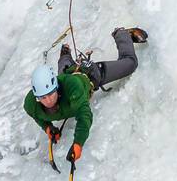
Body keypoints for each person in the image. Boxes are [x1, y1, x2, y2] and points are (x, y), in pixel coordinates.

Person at [24, 27, 148, 162]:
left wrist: (78, 144)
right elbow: (37, 116)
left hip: (91, 76)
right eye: (43, 97)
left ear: (56, 87)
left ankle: (122, 33)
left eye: (51, 94)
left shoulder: (72, 89)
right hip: (66, 76)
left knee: (130, 64)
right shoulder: (31, 104)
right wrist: (48, 127)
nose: (48, 100)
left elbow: (84, 116)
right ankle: (65, 55)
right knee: (64, 71)